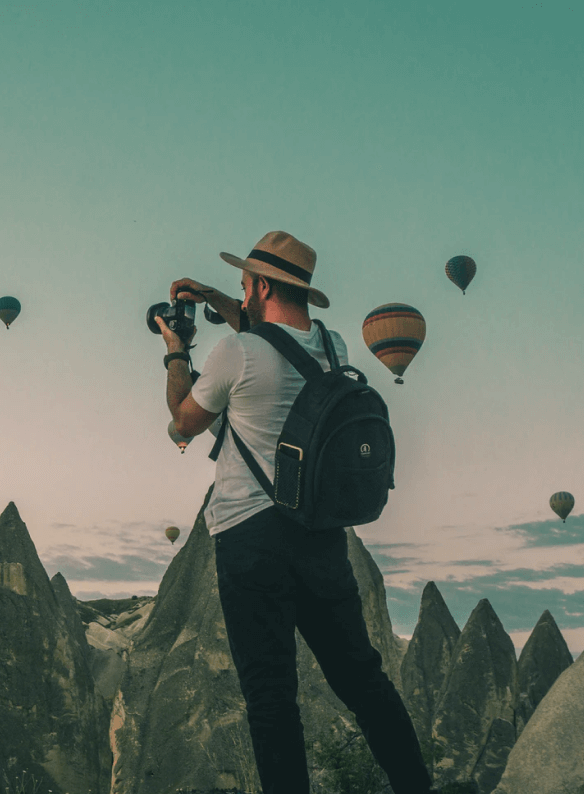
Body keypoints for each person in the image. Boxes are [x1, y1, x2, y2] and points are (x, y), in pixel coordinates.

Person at [156, 231, 437, 794]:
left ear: (261, 285)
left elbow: (183, 424)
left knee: (269, 695)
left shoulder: (235, 352)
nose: (240, 295)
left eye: (243, 286)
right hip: (322, 535)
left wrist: (175, 350)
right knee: (362, 679)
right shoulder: (335, 348)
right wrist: (215, 296)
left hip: (250, 537)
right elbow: (272, 338)